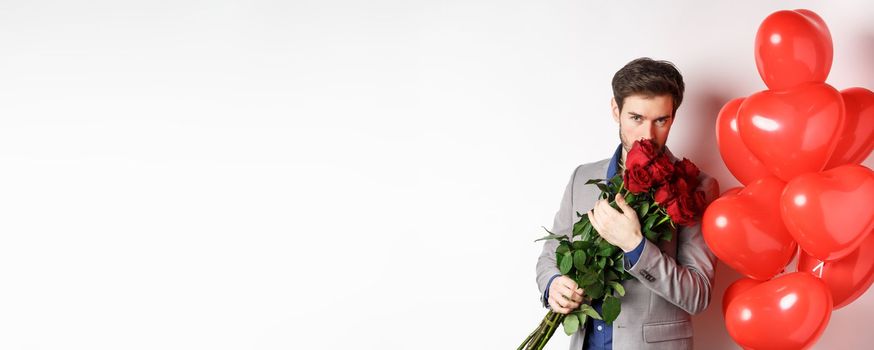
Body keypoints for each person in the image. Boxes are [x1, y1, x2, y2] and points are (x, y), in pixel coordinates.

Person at [535, 57, 720, 350]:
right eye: (636, 118)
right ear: (615, 110)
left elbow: (697, 295)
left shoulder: (696, 187)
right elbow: (550, 255)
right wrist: (553, 283)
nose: (648, 135)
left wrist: (636, 246)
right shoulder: (582, 177)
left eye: (661, 120)